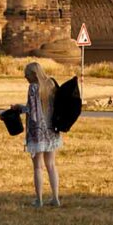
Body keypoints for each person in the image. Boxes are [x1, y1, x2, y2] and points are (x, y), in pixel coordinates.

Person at [11, 61, 72, 206]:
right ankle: (55, 198)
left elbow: (31, 110)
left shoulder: (33, 88)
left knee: (38, 166)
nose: (24, 77)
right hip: (51, 130)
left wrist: (18, 108)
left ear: (33, 75)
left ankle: (39, 199)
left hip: (37, 131)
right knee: (51, 165)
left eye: (26, 74)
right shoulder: (50, 84)